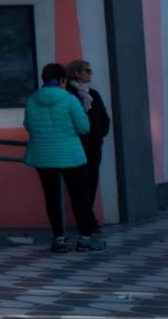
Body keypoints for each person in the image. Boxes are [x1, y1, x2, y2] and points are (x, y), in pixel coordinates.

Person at [24, 63, 106, 253]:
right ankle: (85, 237)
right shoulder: (69, 100)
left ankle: (59, 239)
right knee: (80, 197)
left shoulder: (31, 100)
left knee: (52, 197)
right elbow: (84, 127)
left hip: (43, 156)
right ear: (62, 80)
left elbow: (29, 125)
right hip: (71, 155)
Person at [66, 59, 111, 206]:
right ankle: (84, 217)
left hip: (94, 144)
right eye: (87, 71)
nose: (90, 73)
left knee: (92, 179)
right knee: (79, 181)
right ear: (76, 73)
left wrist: (100, 133)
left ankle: (88, 214)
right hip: (77, 144)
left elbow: (104, 118)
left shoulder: (94, 94)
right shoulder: (68, 94)